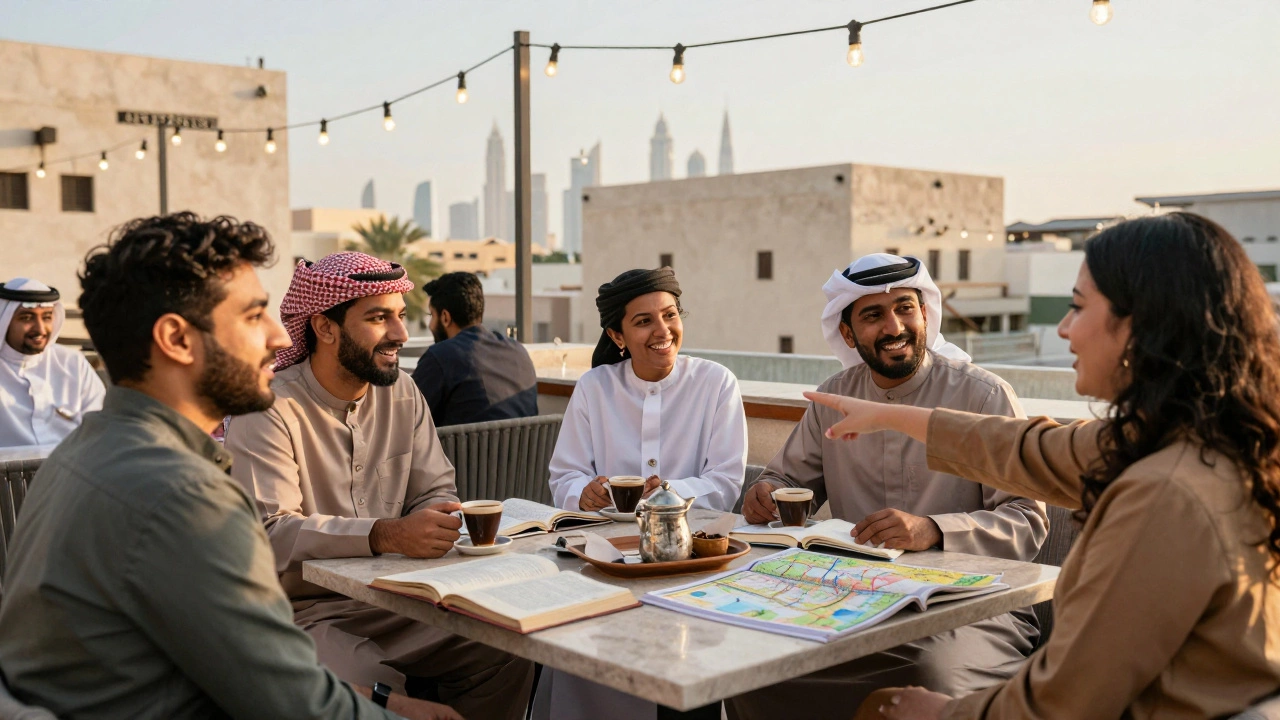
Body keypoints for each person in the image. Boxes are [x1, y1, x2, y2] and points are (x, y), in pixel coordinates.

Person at [822, 214, 1280, 719]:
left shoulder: (1166, 494)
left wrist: (939, 714)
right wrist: (888, 413)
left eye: (1077, 307)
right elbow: (1029, 449)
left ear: (1144, 326)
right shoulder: (1177, 438)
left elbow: (1066, 702)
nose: (1063, 328)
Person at [0, 213, 452, 718]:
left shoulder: (83, 452)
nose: (281, 338)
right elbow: (287, 702)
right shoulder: (184, 495)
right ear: (177, 339)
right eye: (254, 316)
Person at [729, 253, 1048, 720]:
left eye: (905, 308)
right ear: (848, 333)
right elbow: (787, 481)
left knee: (928, 676)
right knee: (755, 670)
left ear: (926, 315)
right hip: (854, 599)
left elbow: (1027, 519)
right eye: (873, 315)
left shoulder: (983, 396)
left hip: (974, 604)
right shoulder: (834, 398)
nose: (894, 326)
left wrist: (933, 530)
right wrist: (766, 494)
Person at [224, 252, 533, 719]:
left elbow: (436, 490)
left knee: (505, 644)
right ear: (325, 327)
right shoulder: (268, 408)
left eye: (401, 316)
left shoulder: (402, 392)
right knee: (366, 683)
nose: (401, 335)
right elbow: (269, 534)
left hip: (399, 598)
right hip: (304, 612)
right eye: (378, 318)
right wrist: (386, 534)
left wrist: (434, 520)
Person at [533, 267, 748, 720]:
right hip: (604, 558)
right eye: (644, 321)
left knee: (691, 665)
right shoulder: (595, 387)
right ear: (617, 334)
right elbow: (564, 476)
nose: (662, 330)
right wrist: (583, 494)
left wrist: (669, 495)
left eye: (670, 315)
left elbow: (726, 483)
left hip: (692, 562)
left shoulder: (716, 383)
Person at [410, 271, 537, 427]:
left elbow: (407, 419)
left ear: (445, 317)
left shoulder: (440, 357)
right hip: (523, 451)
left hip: (461, 451)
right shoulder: (518, 351)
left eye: (431, 315)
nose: (430, 324)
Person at [0, 277, 105, 448]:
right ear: (4, 321)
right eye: (27, 318)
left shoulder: (72, 364)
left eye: (47, 317)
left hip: (71, 469)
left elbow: (100, 427)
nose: (40, 329)